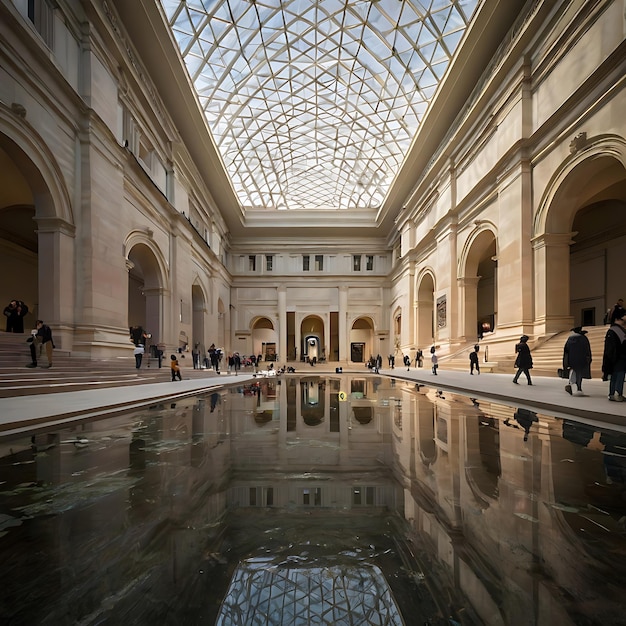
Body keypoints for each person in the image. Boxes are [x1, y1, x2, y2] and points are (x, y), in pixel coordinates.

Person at [602, 313, 626, 401]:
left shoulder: (616, 330)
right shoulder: (616, 330)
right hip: (619, 358)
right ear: (618, 319)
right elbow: (611, 348)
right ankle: (617, 393)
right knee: (619, 375)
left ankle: (612, 394)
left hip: (616, 358)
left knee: (615, 376)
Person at [563, 327, 591, 396]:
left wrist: (566, 362)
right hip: (581, 359)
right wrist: (589, 359)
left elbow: (566, 351)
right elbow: (587, 350)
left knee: (573, 372)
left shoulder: (570, 339)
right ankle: (578, 387)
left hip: (572, 360)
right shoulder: (584, 339)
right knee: (579, 374)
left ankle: (571, 385)